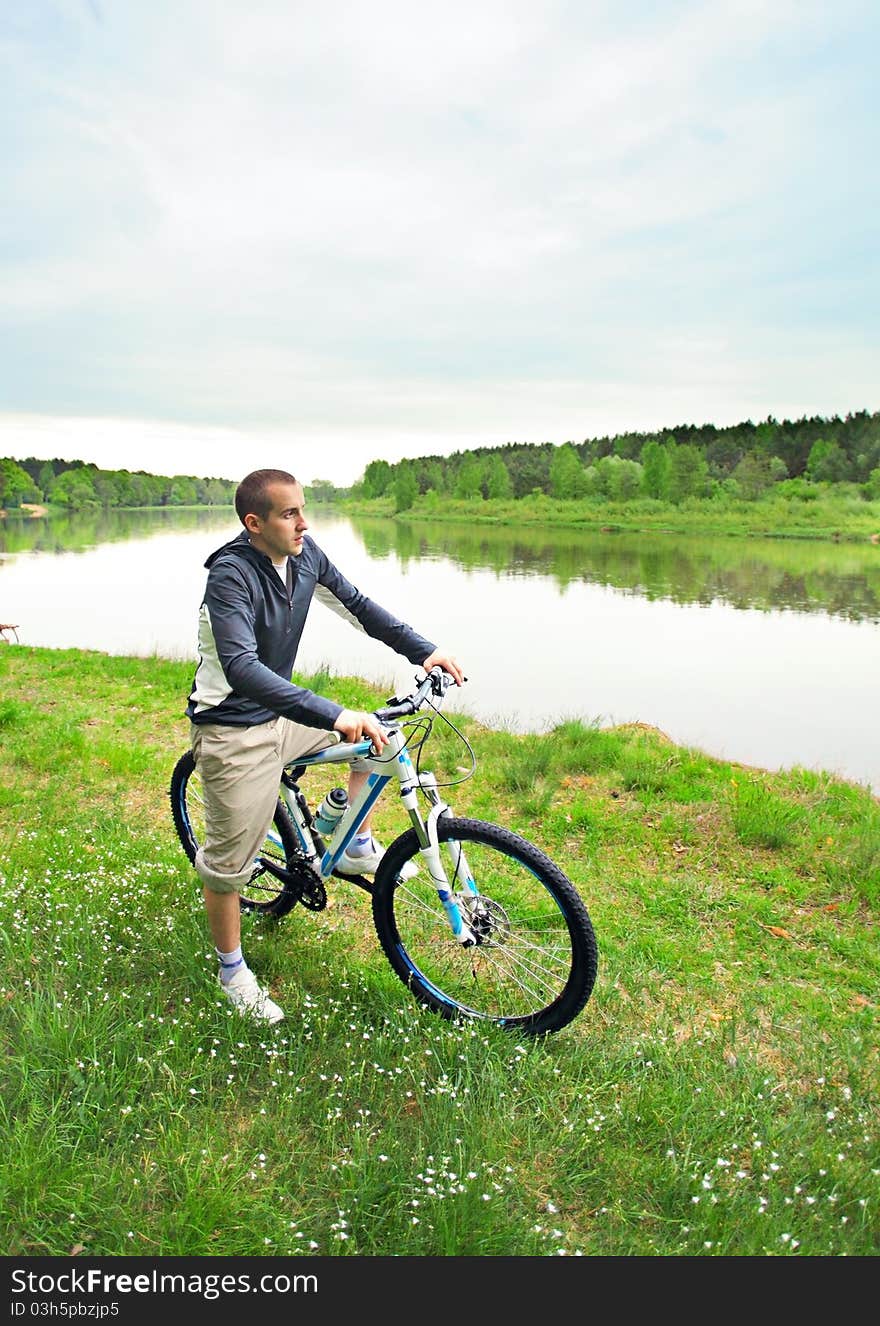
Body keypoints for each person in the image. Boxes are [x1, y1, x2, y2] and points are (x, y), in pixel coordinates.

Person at [186, 467, 464, 1025]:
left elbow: (358, 606)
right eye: (289, 513)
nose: (303, 522)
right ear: (254, 522)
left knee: (380, 739)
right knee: (226, 868)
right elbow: (241, 669)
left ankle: (354, 837)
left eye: (303, 509)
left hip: (283, 717)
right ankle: (232, 971)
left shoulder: (306, 556)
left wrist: (423, 651)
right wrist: (335, 714)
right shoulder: (230, 578)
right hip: (234, 728)